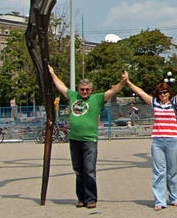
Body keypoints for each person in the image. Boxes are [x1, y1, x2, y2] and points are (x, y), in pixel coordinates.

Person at [48, 65, 128, 209]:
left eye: (87, 90)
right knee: (78, 171)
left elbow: (113, 91)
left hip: (89, 140)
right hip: (74, 139)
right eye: (82, 89)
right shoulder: (73, 96)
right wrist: (52, 74)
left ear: (91, 90)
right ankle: (81, 198)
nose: (84, 92)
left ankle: (91, 198)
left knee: (89, 170)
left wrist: (123, 82)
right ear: (78, 89)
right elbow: (61, 87)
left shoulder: (97, 99)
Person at [126, 66, 177, 210]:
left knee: (172, 172)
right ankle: (160, 201)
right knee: (159, 172)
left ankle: (174, 197)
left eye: (165, 92)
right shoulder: (155, 104)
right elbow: (140, 92)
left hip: (173, 140)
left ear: (169, 93)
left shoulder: (175, 103)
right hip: (158, 141)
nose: (163, 94)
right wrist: (128, 82)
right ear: (157, 94)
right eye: (160, 93)